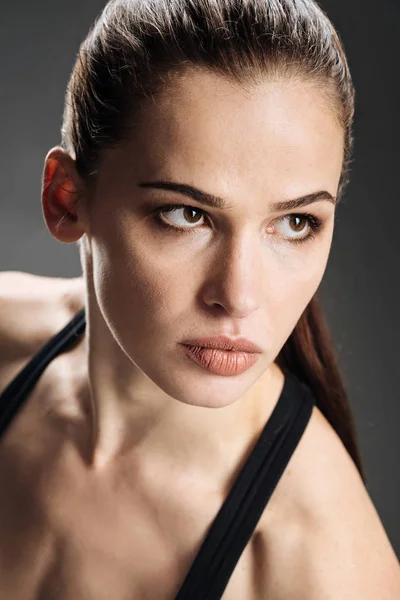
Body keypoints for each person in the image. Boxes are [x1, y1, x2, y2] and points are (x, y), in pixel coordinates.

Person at [0, 0, 399, 597]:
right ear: (66, 200)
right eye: (185, 214)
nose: (239, 297)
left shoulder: (321, 567)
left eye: (295, 224)